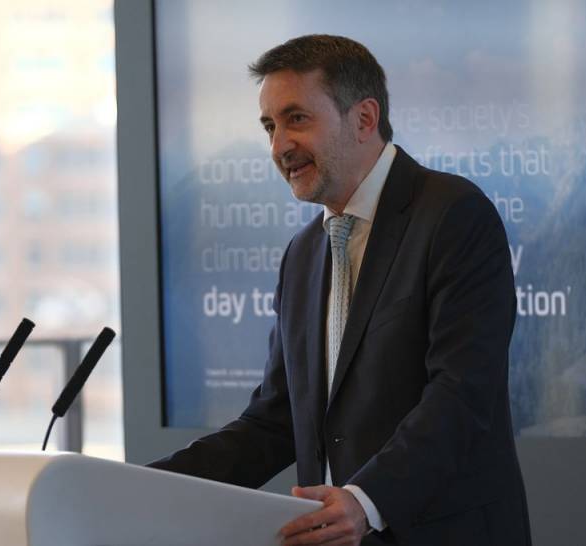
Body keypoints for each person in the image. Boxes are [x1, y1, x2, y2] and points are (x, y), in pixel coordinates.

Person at [149, 34, 531, 545]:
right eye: (269, 126)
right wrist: (149, 485)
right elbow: (276, 421)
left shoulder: (453, 215)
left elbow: (461, 396)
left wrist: (366, 500)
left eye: (296, 118)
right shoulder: (303, 254)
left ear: (364, 118)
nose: (279, 145)